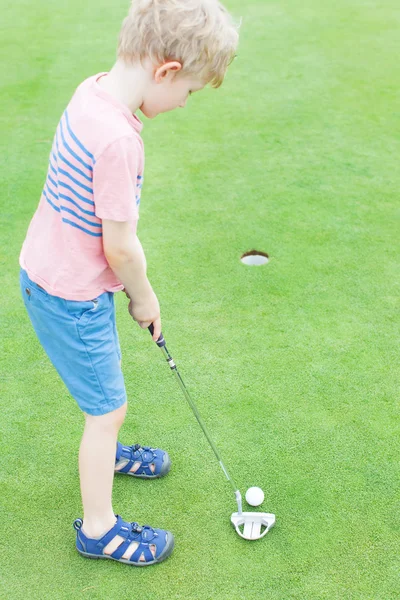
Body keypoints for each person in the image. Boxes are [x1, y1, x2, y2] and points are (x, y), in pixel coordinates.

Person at [19, 0, 239, 567]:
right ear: (166, 71)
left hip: (49, 273)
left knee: (103, 396)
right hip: (72, 296)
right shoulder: (120, 142)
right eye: (189, 91)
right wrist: (145, 296)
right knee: (106, 411)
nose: (184, 103)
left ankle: (110, 453)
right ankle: (98, 528)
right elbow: (120, 246)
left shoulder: (90, 90)